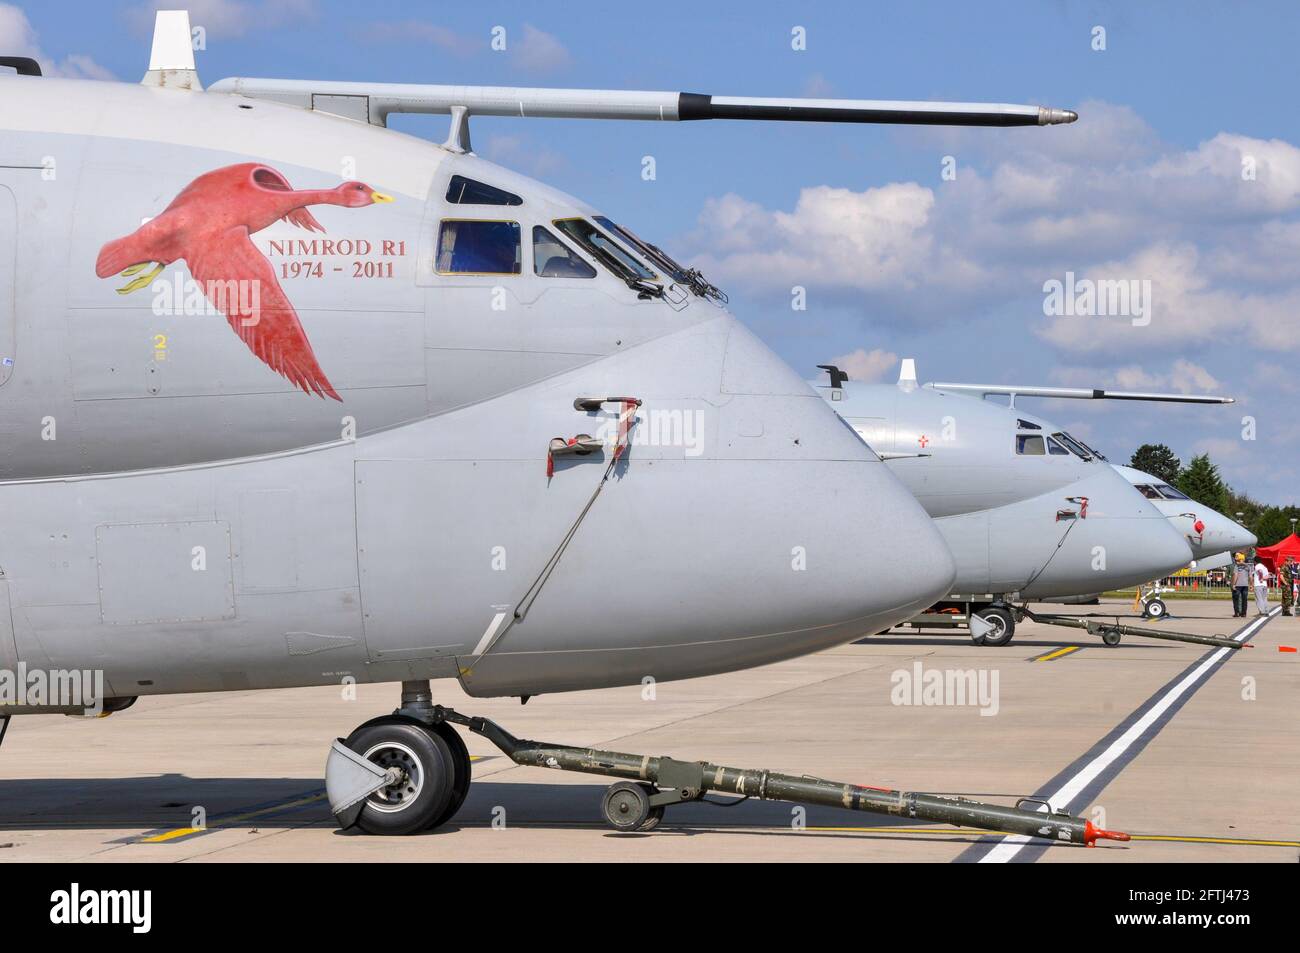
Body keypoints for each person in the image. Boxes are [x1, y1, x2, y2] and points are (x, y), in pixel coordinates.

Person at [1230, 553, 1250, 617]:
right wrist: (1251, 584)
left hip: (1238, 585)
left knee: (1236, 599)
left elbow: (1235, 575)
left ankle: (1237, 613)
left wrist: (1233, 584)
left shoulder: (1236, 566)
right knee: (1244, 599)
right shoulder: (1248, 566)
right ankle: (1244, 613)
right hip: (1245, 585)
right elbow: (1250, 577)